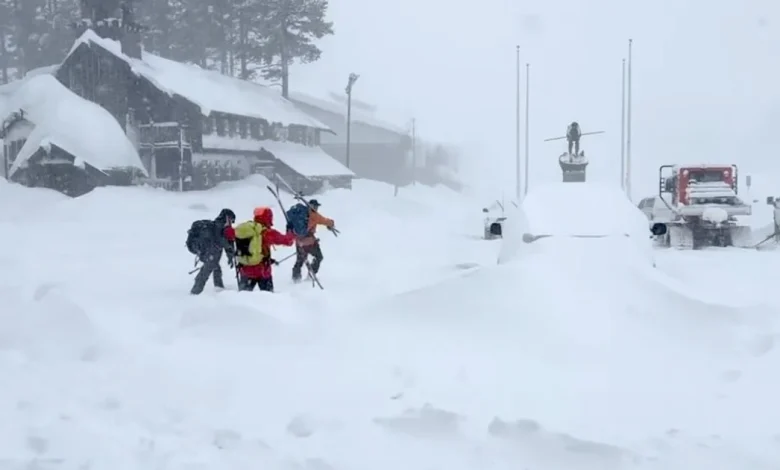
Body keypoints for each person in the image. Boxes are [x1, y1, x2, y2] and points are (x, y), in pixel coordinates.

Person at [226, 206, 296, 292]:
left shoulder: (246, 230)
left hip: (245, 270)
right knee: (268, 300)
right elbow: (288, 241)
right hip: (263, 271)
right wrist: (290, 231)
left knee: (243, 299)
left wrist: (227, 227)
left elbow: (228, 233)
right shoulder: (267, 233)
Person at [187, 208, 236, 295]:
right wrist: (229, 248)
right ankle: (195, 292)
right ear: (228, 217)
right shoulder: (219, 225)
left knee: (215, 267)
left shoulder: (218, 225)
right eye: (231, 220)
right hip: (209, 252)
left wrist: (229, 253)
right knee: (207, 270)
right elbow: (221, 240)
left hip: (209, 251)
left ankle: (219, 288)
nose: (231, 223)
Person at [288, 199, 336, 283]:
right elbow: (325, 221)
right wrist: (331, 223)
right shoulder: (314, 215)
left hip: (299, 241)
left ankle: (296, 279)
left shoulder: (301, 214)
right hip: (310, 242)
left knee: (300, 261)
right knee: (319, 257)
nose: (317, 208)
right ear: (313, 206)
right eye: (316, 206)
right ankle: (311, 276)